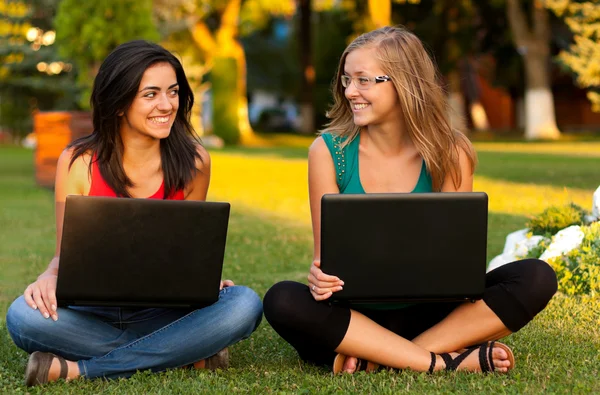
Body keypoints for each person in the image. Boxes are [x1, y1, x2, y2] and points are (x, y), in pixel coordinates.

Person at [262, 26, 557, 374]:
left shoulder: (450, 151)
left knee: (536, 277)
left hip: (433, 314)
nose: (350, 91)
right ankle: (443, 362)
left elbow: (457, 264)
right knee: (282, 299)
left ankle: (383, 358)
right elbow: (324, 261)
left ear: (405, 83)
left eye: (363, 80)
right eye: (346, 80)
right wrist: (319, 277)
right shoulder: (329, 152)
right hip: (357, 317)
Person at [5, 40, 263, 386]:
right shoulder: (79, 161)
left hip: (162, 313)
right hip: (89, 312)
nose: (167, 104)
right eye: (151, 94)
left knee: (244, 304)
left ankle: (81, 371)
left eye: (172, 92)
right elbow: (63, 255)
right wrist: (50, 276)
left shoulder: (195, 163)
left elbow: (188, 254)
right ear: (119, 103)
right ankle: (186, 351)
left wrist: (203, 282)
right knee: (22, 316)